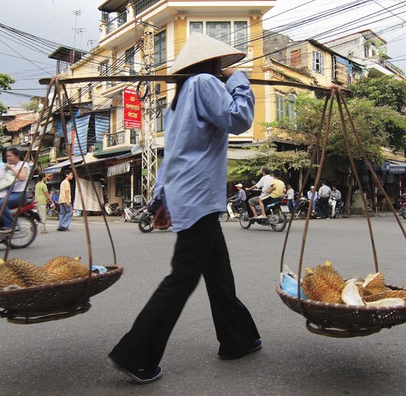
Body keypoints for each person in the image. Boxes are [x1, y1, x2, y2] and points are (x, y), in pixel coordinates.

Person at [109, 32, 260, 384]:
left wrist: (161, 198)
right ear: (208, 65)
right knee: (183, 277)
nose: (224, 69)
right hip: (197, 195)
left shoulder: (176, 101)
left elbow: (173, 154)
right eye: (221, 64)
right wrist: (240, 83)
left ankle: (237, 339)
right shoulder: (206, 83)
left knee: (218, 272)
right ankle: (136, 353)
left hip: (190, 194)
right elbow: (238, 120)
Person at [0, 147, 31, 232]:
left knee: (0, 204)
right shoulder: (10, 167)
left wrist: (11, 169)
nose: (8, 158)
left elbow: (22, 177)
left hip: (20, 193)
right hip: (10, 192)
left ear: (17, 156)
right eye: (7, 156)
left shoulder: (23, 164)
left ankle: (12, 225)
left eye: (10, 156)